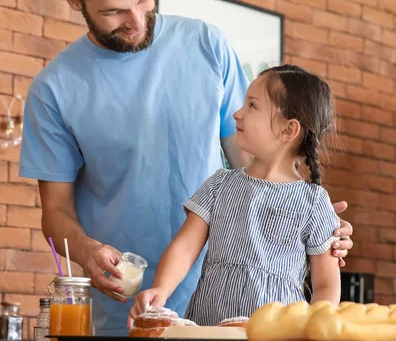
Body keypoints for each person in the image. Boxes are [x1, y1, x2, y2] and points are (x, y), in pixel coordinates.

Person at [18, 0, 353, 335]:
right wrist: (87, 252)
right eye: (114, 12)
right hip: (128, 311)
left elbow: (256, 168)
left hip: (229, 319)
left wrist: (312, 221)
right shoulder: (53, 89)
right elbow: (55, 212)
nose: (137, 20)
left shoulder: (208, 45)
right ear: (74, 1)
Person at [128, 64, 341, 327]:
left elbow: (327, 284)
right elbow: (184, 248)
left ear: (288, 130)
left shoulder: (314, 203)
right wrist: (161, 289)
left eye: (252, 106)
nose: (237, 114)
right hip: (208, 329)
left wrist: (314, 326)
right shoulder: (219, 184)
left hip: (275, 335)